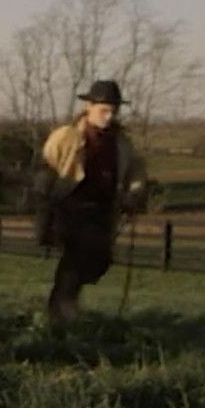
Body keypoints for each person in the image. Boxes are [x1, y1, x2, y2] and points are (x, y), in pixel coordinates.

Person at [35, 79, 148, 335]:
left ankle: (62, 302)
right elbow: (46, 167)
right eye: (103, 110)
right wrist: (42, 200)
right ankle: (64, 309)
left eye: (113, 111)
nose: (109, 116)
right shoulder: (67, 136)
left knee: (100, 261)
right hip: (71, 206)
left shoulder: (121, 143)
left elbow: (137, 172)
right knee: (77, 256)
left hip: (103, 209)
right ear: (89, 107)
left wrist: (134, 195)